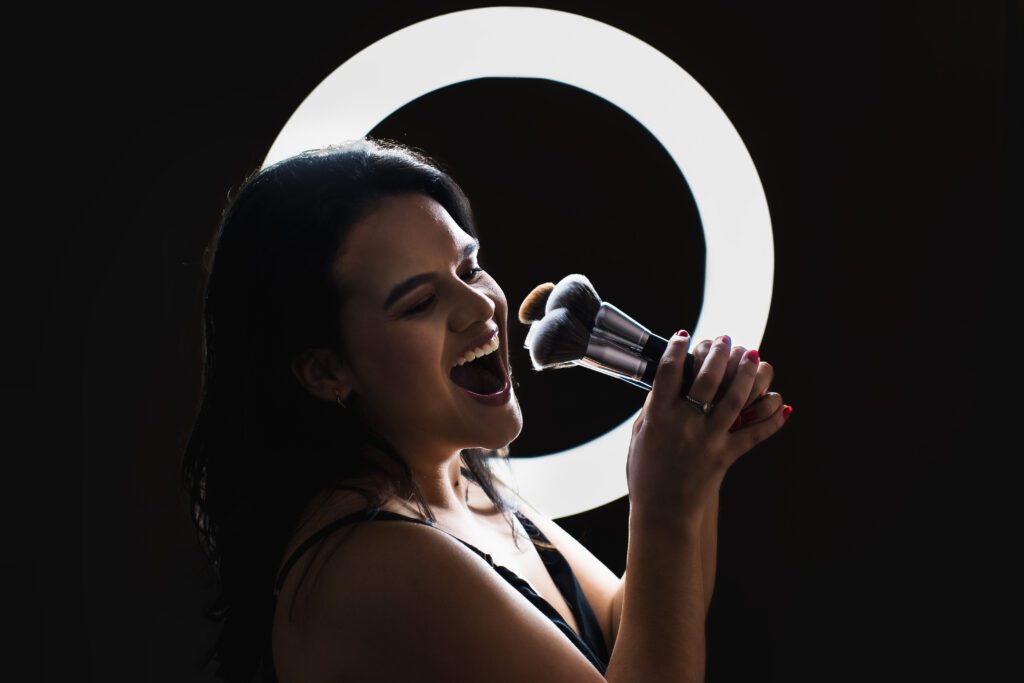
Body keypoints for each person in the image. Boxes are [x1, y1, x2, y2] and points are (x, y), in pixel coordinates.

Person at [180, 137, 792, 683]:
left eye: (470, 267)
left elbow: (628, 625)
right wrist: (666, 510)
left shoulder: (465, 484)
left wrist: (696, 463)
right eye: (419, 301)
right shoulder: (373, 563)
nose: (479, 307)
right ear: (324, 370)